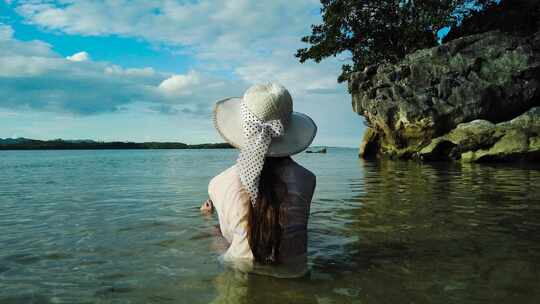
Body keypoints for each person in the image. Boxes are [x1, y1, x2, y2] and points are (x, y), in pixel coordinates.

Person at [201, 83, 317, 275]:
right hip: (295, 272)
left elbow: (232, 237)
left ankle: (206, 218)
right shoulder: (307, 179)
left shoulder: (217, 183)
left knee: (217, 231)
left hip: (238, 271)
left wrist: (207, 220)